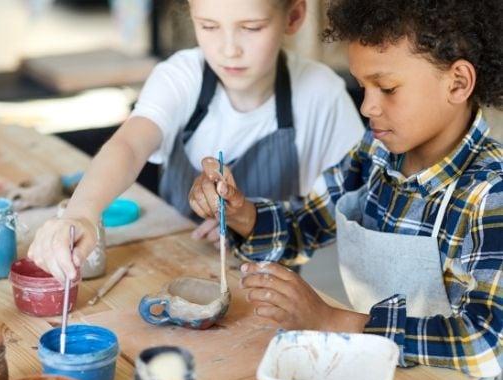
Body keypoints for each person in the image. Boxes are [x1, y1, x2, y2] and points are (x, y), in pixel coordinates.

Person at [188, 0, 503, 380]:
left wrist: (334, 321)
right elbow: (306, 225)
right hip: (373, 377)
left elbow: (485, 341)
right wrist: (241, 214)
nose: (369, 106)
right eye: (363, 87)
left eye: (387, 88)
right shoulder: (375, 152)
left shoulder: (491, 192)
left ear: (457, 83)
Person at [28, 0, 363, 280]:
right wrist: (81, 213)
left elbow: (352, 203)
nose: (229, 49)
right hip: (171, 271)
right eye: (209, 26)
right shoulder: (181, 77)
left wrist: (246, 224)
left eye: (251, 28)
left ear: (293, 16)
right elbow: (129, 145)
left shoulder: (322, 95)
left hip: (269, 290)